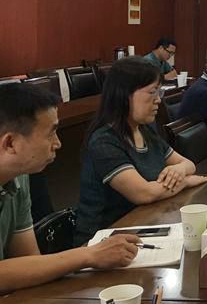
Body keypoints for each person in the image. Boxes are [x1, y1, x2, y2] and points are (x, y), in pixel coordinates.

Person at [0, 84, 140, 293]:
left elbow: (27, 259)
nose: (58, 143)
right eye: (51, 133)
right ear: (10, 143)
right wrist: (88, 255)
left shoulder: (18, 177)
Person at [74, 57, 207, 245]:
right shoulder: (104, 141)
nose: (158, 100)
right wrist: (184, 181)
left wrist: (179, 170)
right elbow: (144, 193)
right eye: (152, 92)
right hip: (103, 241)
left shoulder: (144, 131)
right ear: (124, 95)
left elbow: (188, 164)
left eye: (159, 92)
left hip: (142, 225)